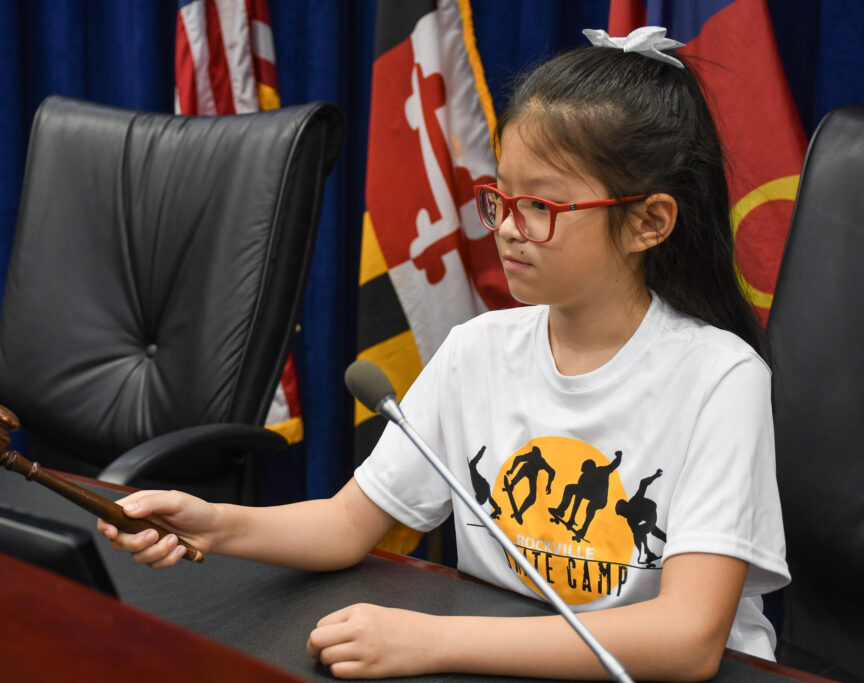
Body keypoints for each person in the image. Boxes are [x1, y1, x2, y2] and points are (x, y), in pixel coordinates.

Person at [98, 26, 789, 681]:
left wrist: (430, 639)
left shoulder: (719, 376)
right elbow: (345, 524)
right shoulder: (476, 350)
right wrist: (215, 523)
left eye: (541, 207)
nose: (507, 230)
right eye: (499, 198)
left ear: (648, 221)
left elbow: (690, 637)